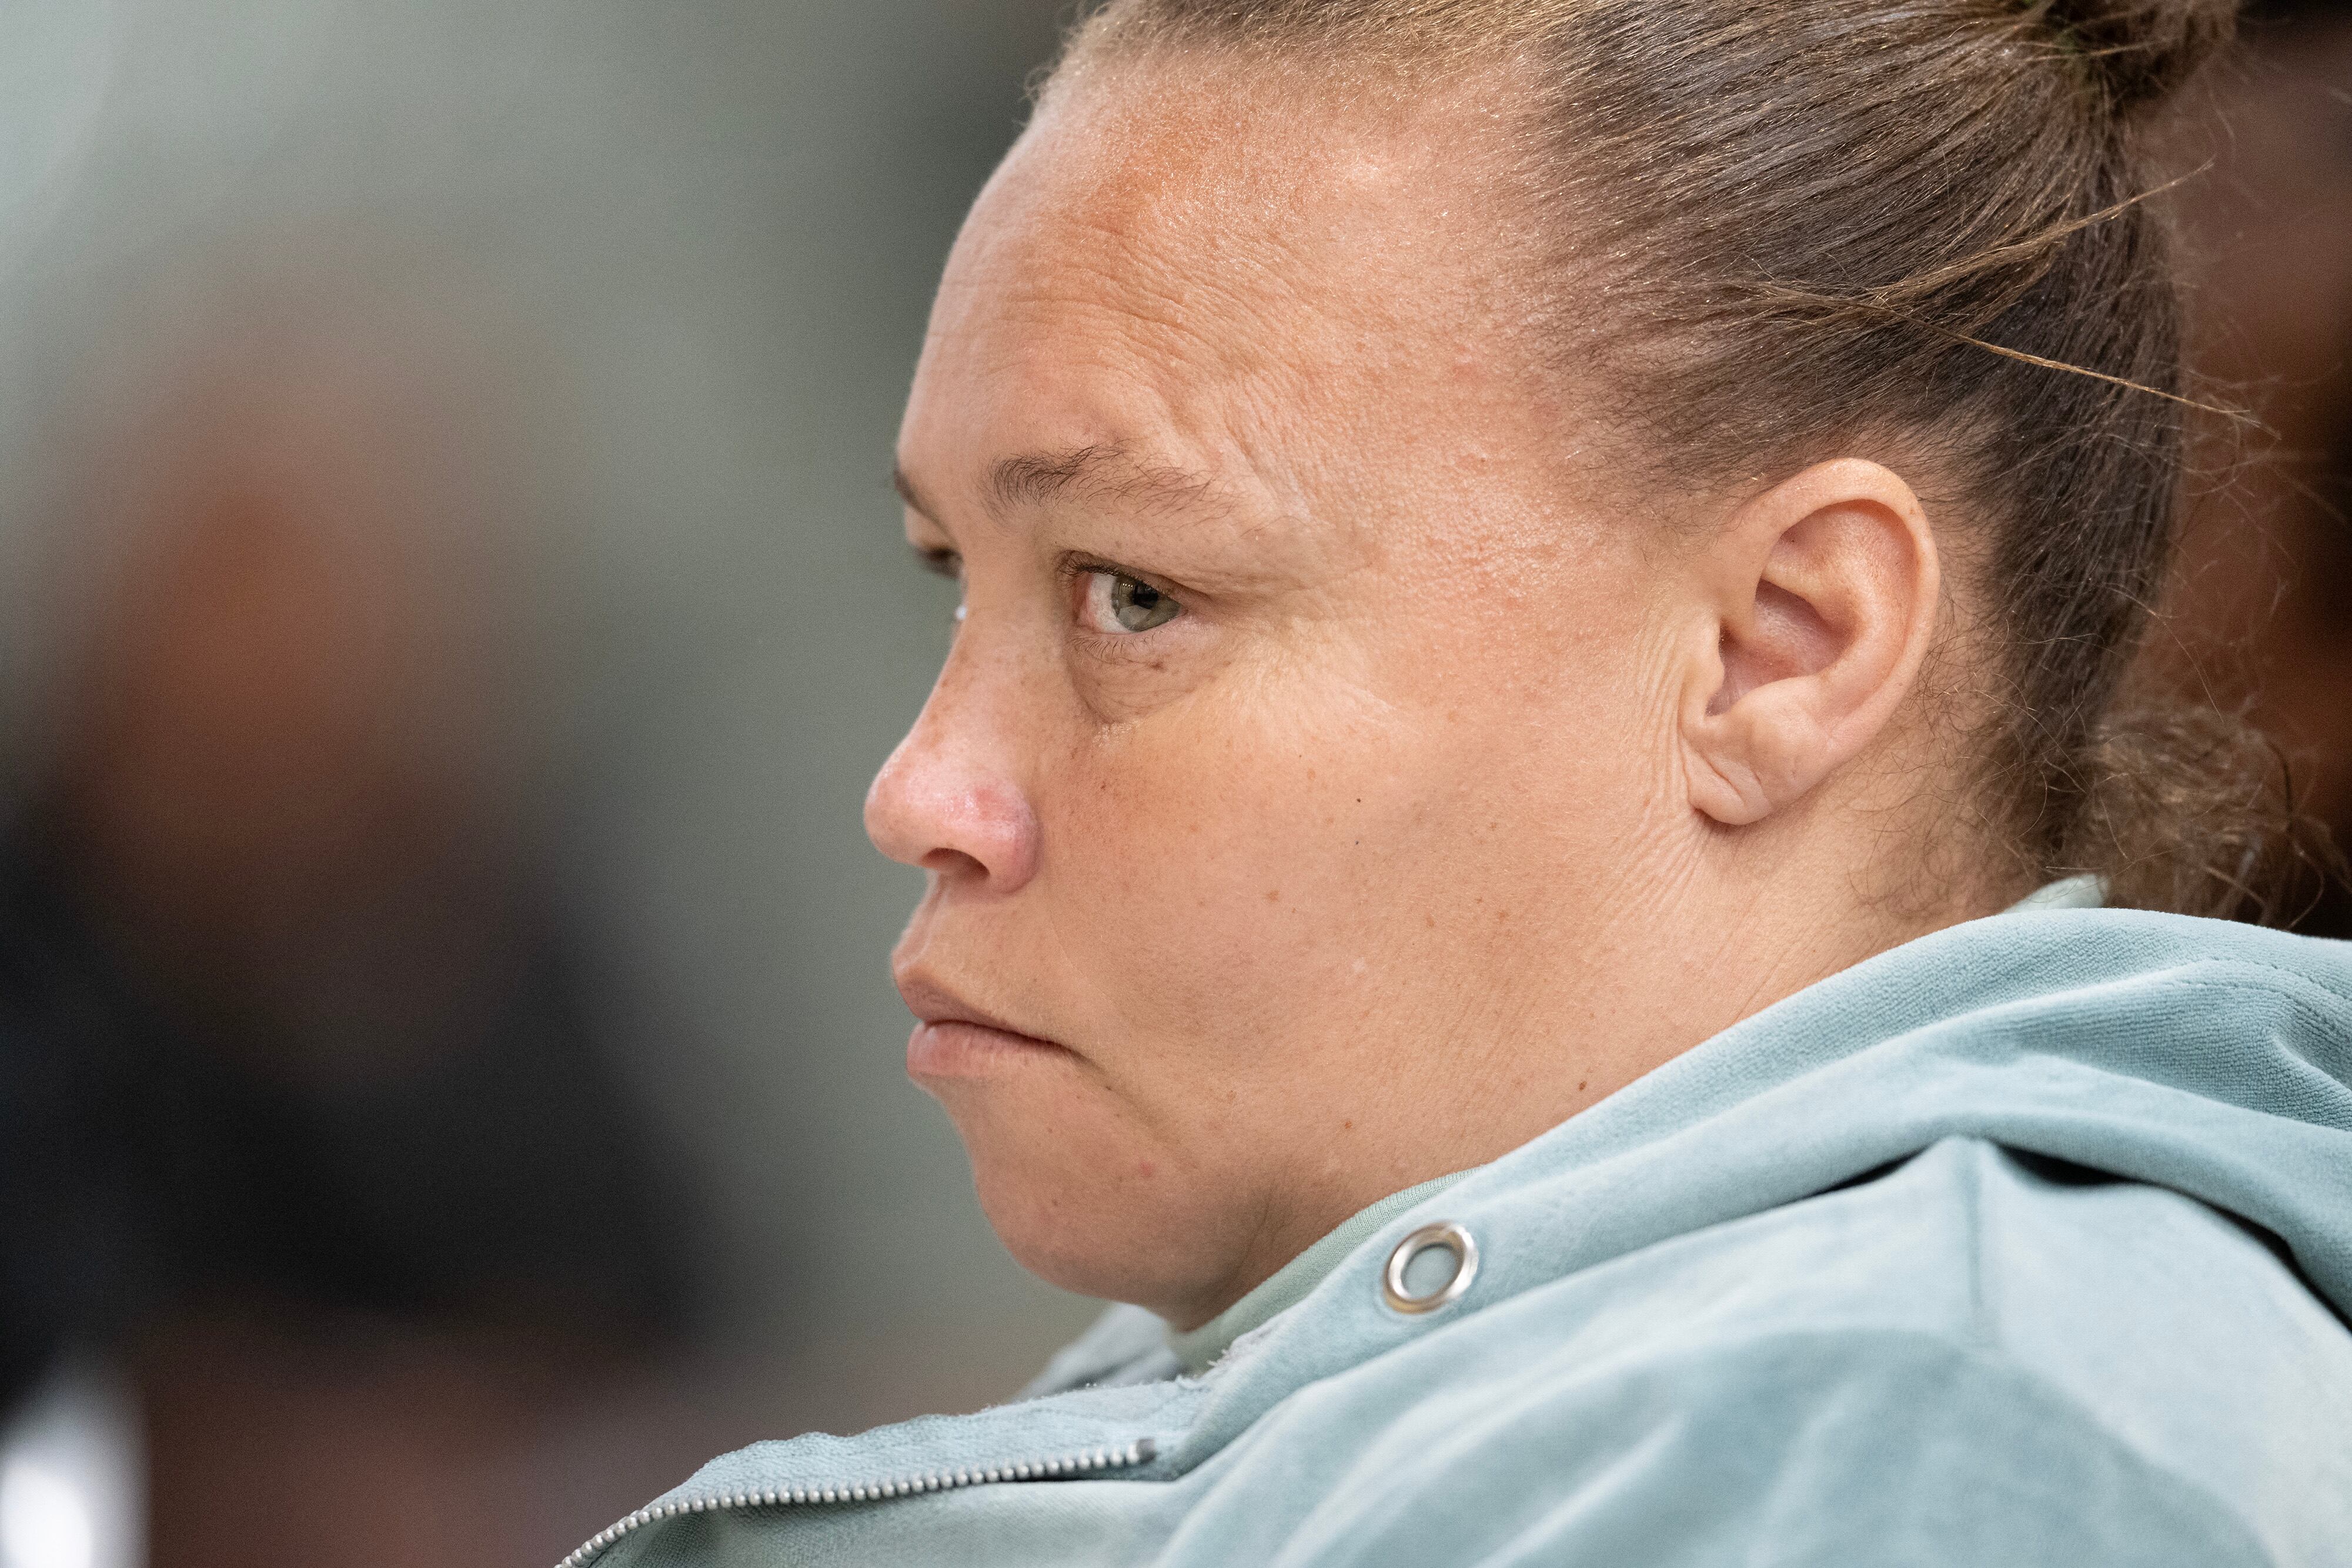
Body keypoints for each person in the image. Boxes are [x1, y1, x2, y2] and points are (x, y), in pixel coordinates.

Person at [572, 1, 2352, 1562]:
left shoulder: (1923, 1432)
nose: (925, 789)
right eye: (954, 575)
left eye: (1137, 595)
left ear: (1781, 644)